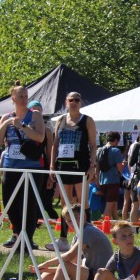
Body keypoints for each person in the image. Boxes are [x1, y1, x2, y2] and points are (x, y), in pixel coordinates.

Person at [0, 203, 113, 280]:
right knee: (48, 274)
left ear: (84, 216)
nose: (72, 223)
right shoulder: (77, 236)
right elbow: (71, 266)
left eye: (76, 218)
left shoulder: (89, 231)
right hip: (87, 278)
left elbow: (69, 256)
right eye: (69, 221)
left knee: (63, 265)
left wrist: (45, 263)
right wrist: (45, 269)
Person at [0, 82, 46, 249]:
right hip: (11, 166)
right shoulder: (6, 117)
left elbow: (40, 137)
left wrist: (22, 126)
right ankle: (17, 234)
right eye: (20, 96)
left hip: (31, 167)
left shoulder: (35, 116)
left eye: (26, 96)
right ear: (13, 98)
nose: (24, 99)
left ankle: (27, 239)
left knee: (29, 204)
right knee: (10, 202)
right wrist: (7, 124)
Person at [48, 92, 98, 251]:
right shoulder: (61, 120)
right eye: (71, 100)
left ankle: (88, 238)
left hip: (80, 165)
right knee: (65, 204)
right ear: (66, 102)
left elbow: (93, 145)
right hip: (63, 165)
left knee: (83, 202)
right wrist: (52, 165)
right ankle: (63, 239)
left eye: (77, 100)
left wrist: (92, 165)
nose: (74, 102)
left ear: (80, 102)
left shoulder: (87, 120)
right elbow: (55, 145)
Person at [97, 132, 125, 220]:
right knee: (109, 207)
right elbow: (120, 168)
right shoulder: (116, 151)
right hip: (113, 180)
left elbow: (97, 168)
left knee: (114, 206)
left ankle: (117, 224)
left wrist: (97, 182)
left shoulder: (99, 150)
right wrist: (123, 165)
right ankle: (106, 225)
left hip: (102, 180)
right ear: (116, 140)